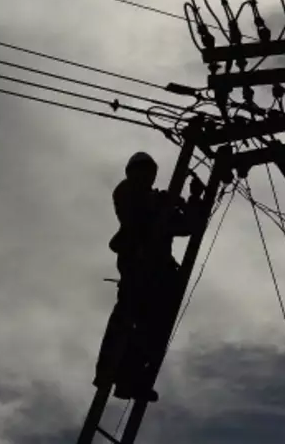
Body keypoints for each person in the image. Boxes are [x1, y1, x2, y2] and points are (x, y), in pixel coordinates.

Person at [96, 152, 194, 401]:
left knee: (152, 327)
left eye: (150, 171)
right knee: (126, 320)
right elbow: (137, 214)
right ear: (132, 172)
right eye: (142, 170)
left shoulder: (156, 200)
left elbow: (187, 226)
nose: (147, 176)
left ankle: (132, 379)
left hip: (159, 271)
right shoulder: (127, 192)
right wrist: (165, 202)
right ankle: (109, 372)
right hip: (137, 265)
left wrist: (192, 201)